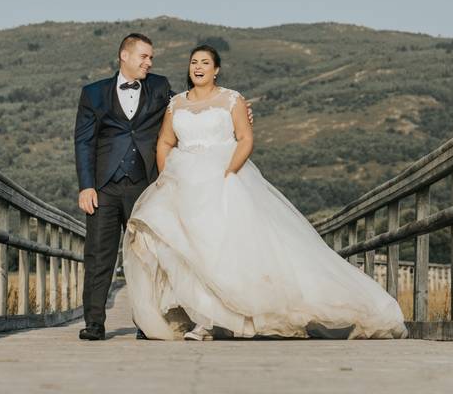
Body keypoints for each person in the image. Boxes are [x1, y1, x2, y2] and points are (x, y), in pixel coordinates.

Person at [122, 44, 407, 341]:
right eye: (194, 62)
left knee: (221, 250)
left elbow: (245, 138)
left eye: (205, 62)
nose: (198, 67)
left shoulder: (232, 100)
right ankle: (203, 319)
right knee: (188, 252)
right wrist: (169, 175)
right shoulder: (176, 104)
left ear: (216, 69)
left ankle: (232, 318)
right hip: (182, 183)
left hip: (223, 179)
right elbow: (165, 143)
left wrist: (229, 171)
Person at [73, 34, 252, 341]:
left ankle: (148, 322)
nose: (149, 62)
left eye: (151, 58)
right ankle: (94, 323)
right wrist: (86, 186)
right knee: (99, 255)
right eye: (144, 57)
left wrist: (240, 112)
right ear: (124, 57)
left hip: (145, 185)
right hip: (104, 187)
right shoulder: (93, 94)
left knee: (151, 257)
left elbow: (190, 107)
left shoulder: (158, 87)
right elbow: (84, 142)